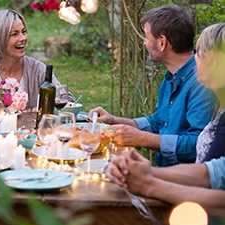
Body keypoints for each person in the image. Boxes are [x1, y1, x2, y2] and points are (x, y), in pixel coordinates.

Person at [106, 22, 225, 217]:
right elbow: (210, 172)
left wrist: (149, 180)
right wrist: (118, 122)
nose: (195, 58)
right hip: (184, 195)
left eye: (200, 52)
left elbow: (199, 156)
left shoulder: (202, 87)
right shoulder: (172, 78)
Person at [89, 4, 217, 167]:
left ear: (162, 42)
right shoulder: (172, 76)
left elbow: (197, 145)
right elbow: (159, 122)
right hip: (163, 173)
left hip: (182, 182)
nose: (144, 42)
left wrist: (141, 138)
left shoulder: (202, 82)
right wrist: (114, 122)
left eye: (147, 37)